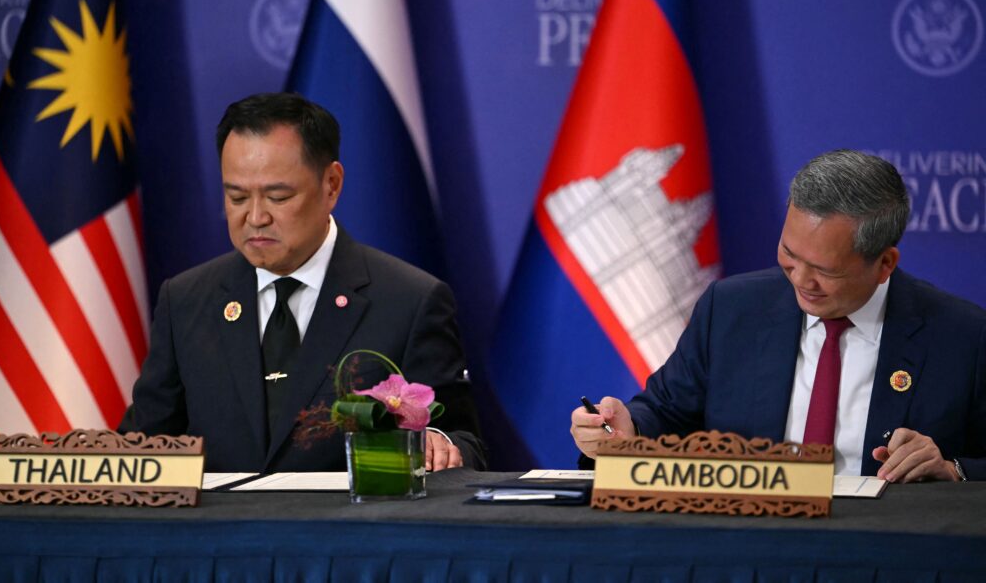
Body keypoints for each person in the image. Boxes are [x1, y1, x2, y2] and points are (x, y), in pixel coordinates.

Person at [120, 92, 486, 472]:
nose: (255, 217)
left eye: (278, 197)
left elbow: (464, 443)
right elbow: (141, 448)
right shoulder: (185, 301)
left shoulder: (410, 301)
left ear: (331, 185)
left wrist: (440, 444)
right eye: (237, 197)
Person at [571, 150, 986, 482]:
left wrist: (953, 469)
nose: (801, 281)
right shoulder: (731, 308)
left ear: (884, 264)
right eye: (789, 254)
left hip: (884, 546)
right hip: (750, 540)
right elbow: (666, 411)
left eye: (825, 270)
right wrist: (627, 430)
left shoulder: (962, 336)